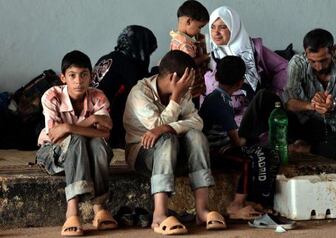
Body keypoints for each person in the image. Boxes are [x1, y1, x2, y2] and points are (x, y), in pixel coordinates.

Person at [123, 50, 226, 235]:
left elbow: (197, 122)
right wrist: (176, 98)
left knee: (196, 136)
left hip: (175, 155)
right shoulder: (140, 92)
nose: (190, 86)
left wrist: (167, 128)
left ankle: (202, 210)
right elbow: (154, 125)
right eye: (187, 82)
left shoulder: (182, 92)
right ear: (173, 78)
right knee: (167, 140)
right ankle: (159, 214)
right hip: (142, 154)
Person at [36, 50, 117, 236]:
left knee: (97, 144)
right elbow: (56, 136)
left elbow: (105, 133)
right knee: (80, 139)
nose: (78, 81)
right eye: (72, 76)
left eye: (84, 75)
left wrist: (70, 127)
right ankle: (72, 212)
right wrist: (91, 123)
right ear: (63, 78)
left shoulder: (98, 97)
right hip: (52, 153)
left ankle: (100, 209)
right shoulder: (51, 96)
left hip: (86, 153)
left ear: (91, 76)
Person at [199, 56, 282, 221]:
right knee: (251, 157)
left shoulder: (219, 96)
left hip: (223, 145)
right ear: (240, 82)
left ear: (215, 76)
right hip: (215, 150)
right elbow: (236, 141)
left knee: (267, 153)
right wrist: (250, 140)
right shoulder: (221, 101)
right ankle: (237, 204)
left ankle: (259, 201)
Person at [283, 28, 336, 160]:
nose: (318, 66)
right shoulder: (297, 63)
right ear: (305, 53)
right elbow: (289, 103)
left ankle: (305, 148)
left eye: (323, 60)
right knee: (268, 101)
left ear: (333, 50)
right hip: (305, 124)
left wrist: (333, 105)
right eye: (312, 61)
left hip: (333, 130)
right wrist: (313, 105)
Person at [204, 5, 288, 126]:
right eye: (212, 27)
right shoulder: (207, 54)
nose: (216, 32)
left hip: (254, 109)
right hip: (223, 114)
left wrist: (275, 92)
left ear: (234, 28)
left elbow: (283, 66)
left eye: (223, 27)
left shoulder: (252, 49)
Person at [92, 25, 157, 148]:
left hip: (93, 115)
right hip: (107, 120)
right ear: (140, 46)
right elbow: (141, 88)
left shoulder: (107, 57)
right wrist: (157, 71)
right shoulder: (126, 64)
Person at [170, 0, 210, 107]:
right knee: (194, 110)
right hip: (191, 89)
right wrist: (206, 57)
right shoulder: (185, 44)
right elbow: (191, 62)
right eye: (199, 27)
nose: (199, 31)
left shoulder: (177, 38)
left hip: (187, 89)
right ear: (189, 21)